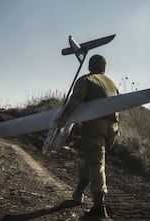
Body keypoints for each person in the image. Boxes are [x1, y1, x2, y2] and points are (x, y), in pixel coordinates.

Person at [56, 54, 119, 218]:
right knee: (92, 159)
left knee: (96, 162)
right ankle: (79, 193)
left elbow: (76, 100)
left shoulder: (87, 79)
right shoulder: (112, 83)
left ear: (90, 66)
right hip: (112, 128)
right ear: (104, 68)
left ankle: (99, 206)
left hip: (95, 126)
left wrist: (64, 117)